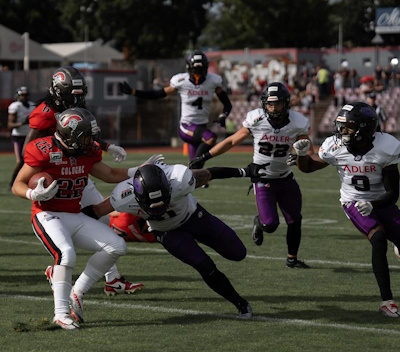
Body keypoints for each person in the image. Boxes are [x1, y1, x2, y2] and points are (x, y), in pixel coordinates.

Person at [81, 159, 271, 319]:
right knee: (205, 266)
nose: (157, 208)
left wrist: (244, 171)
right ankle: (240, 303)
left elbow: (209, 173)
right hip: (167, 232)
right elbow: (96, 211)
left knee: (238, 253)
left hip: (194, 218)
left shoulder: (180, 179)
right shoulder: (123, 196)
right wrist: (59, 217)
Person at [11, 108, 142, 330]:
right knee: (66, 254)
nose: (91, 141)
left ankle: (77, 290)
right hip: (47, 214)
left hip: (74, 214)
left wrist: (140, 170)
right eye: (86, 136)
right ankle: (61, 314)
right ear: (69, 135)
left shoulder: (87, 151)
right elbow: (17, 184)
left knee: (116, 246)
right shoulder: (43, 150)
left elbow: (109, 174)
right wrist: (34, 194)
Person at [24, 66, 142, 296]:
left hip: (78, 169)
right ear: (58, 91)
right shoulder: (44, 112)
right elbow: (31, 145)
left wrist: (107, 146)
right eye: (72, 93)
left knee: (103, 217)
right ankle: (65, 272)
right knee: (62, 232)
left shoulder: (74, 106)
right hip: (57, 174)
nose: (77, 98)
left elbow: (86, 132)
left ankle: (112, 278)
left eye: (79, 93)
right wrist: (30, 179)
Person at [189, 82, 313, 268]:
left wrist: (298, 157)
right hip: (262, 177)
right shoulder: (257, 119)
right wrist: (205, 156)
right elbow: (231, 141)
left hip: (286, 177)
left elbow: (308, 151)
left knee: (295, 220)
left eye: (277, 104)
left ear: (286, 103)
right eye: (269, 104)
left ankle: (292, 258)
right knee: (270, 225)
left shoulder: (298, 122)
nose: (273, 108)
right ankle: (259, 221)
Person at [293, 101, 400, 317]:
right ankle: (387, 302)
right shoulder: (335, 146)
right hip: (353, 202)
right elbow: (309, 168)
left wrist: (373, 204)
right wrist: (301, 157)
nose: (342, 132)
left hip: (381, 200)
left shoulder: (385, 148)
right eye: (341, 126)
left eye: (348, 127)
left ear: (364, 128)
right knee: (378, 238)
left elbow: (393, 194)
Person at [119, 50, 233, 168]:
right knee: (211, 138)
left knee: (195, 169)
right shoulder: (181, 81)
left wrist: (223, 115)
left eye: (200, 70)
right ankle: (197, 165)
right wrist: (134, 92)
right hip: (187, 126)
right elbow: (158, 94)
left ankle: (194, 175)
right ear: (189, 69)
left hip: (201, 126)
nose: (197, 74)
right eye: (195, 71)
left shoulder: (213, 81)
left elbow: (227, 104)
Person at [7, 86, 36, 190]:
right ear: (18, 96)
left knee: (31, 161)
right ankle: (13, 181)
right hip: (18, 136)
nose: (25, 97)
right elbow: (10, 124)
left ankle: (26, 180)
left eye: (26, 95)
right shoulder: (15, 106)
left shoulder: (32, 105)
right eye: (22, 95)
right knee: (20, 161)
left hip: (29, 136)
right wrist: (23, 123)